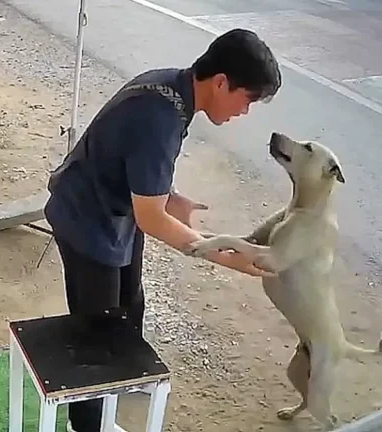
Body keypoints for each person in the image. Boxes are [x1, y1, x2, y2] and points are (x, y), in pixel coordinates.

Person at [43, 28, 282, 432]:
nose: (245, 112)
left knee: (129, 308)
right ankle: (85, 425)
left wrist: (172, 198)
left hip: (115, 210)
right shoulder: (161, 117)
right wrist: (225, 256)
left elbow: (135, 165)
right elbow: (150, 219)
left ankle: (109, 403)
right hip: (85, 218)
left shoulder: (173, 84)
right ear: (221, 82)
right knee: (97, 335)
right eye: (248, 99)